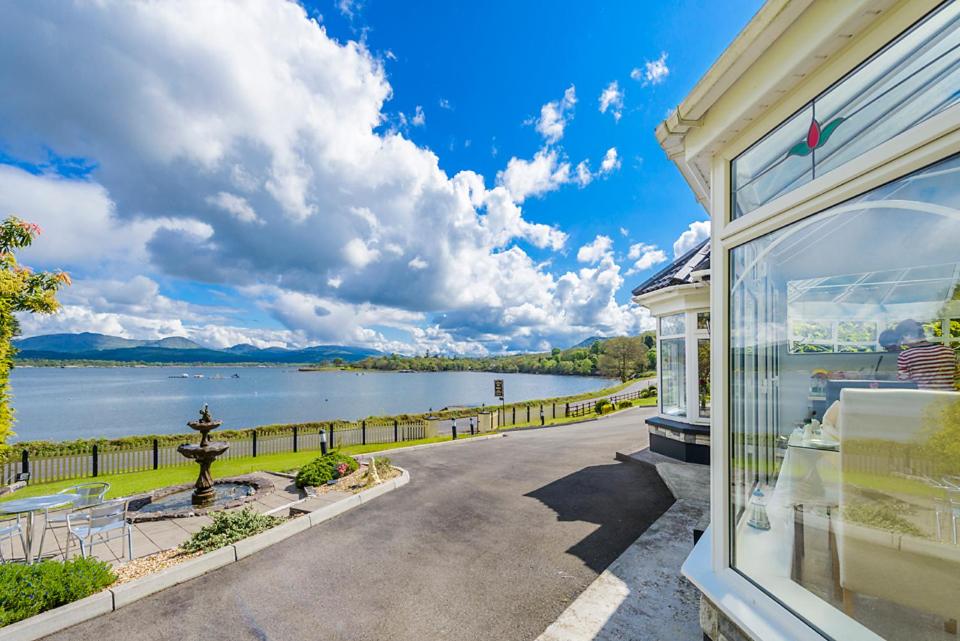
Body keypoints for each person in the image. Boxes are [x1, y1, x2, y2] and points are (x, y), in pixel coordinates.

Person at [895, 319, 958, 390]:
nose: (901, 342)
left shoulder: (905, 355)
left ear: (907, 335)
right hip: (950, 398)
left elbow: (904, 382)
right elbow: (956, 375)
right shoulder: (948, 351)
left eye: (900, 338)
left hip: (924, 398)